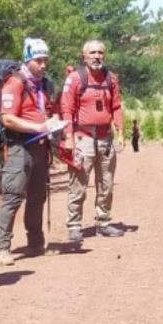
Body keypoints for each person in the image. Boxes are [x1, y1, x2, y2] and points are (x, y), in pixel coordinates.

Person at [0, 38, 61, 266]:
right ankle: (2, 247)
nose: (43, 65)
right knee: (12, 196)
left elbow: (46, 111)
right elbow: (8, 119)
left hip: (41, 147)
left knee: (37, 197)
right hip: (19, 147)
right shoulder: (15, 83)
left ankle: (35, 243)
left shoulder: (42, 84)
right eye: (38, 60)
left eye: (45, 61)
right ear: (28, 59)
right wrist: (39, 127)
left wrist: (53, 122)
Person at [60, 39, 125, 243]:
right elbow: (66, 110)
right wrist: (69, 137)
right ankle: (74, 225)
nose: (97, 56)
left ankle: (103, 222)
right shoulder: (75, 79)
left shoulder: (111, 79)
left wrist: (120, 131)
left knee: (106, 184)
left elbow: (116, 106)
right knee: (78, 184)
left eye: (100, 53)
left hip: (106, 138)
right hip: (83, 138)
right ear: (84, 56)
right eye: (93, 53)